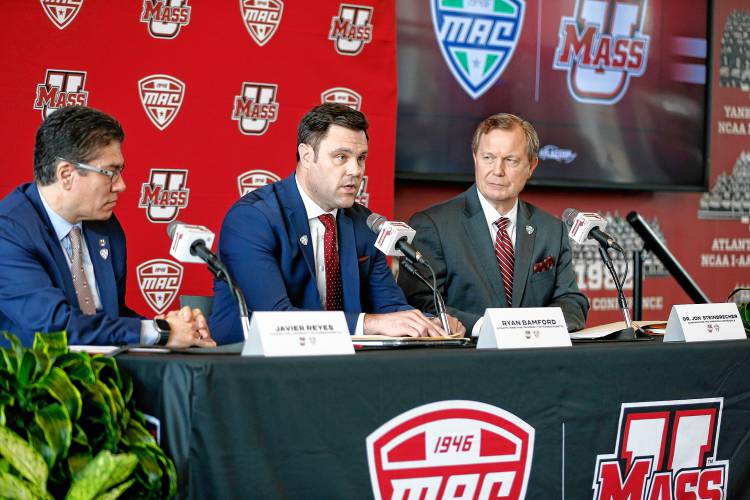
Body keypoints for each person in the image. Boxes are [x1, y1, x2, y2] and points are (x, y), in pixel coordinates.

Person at [209, 103, 464, 343]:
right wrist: (368, 324)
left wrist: (430, 323)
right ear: (306, 156)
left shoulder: (365, 224)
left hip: (338, 364)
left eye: (361, 158)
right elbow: (275, 317)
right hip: (252, 367)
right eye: (341, 157)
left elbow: (389, 307)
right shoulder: (252, 219)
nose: (355, 170)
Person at [0, 106, 215, 348]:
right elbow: (55, 324)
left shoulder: (105, 227)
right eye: (110, 172)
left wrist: (168, 326)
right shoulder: (8, 232)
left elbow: (108, 319)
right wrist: (159, 332)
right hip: (35, 381)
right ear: (66, 174)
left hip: (106, 378)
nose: (121, 185)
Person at [398, 113, 589, 335]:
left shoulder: (551, 230)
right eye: (488, 157)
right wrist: (486, 328)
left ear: (531, 166)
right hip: (467, 358)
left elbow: (572, 302)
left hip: (538, 358)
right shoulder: (433, 225)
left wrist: (532, 329)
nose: (497, 171)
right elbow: (420, 303)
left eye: (510, 160)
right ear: (475, 158)